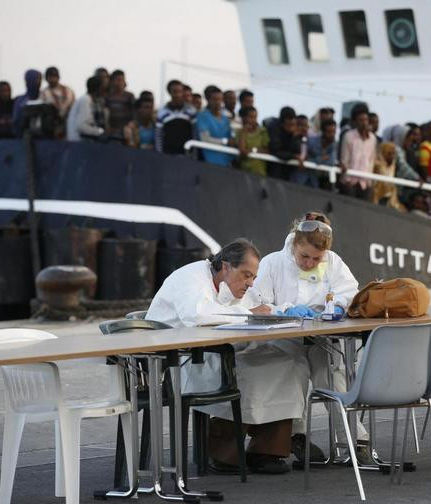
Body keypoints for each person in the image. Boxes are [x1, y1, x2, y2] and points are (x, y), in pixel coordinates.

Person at [146, 238, 308, 474]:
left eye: (253, 277)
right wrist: (247, 313)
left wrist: (281, 311)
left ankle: (266, 450)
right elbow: (198, 316)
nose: (250, 283)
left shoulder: (232, 285)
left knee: (287, 360)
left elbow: (257, 307)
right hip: (181, 360)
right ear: (225, 266)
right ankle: (223, 451)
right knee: (250, 369)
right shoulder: (189, 278)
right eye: (246, 275)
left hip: (216, 352)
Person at [247, 212, 372, 465]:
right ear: (294, 245)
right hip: (283, 338)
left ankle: (354, 440)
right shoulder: (272, 263)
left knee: (334, 377)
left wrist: (337, 305)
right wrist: (283, 311)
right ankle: (295, 435)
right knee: (294, 371)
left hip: (322, 337)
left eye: (317, 258)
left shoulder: (333, 262)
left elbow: (349, 291)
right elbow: (255, 304)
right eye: (305, 256)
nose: (309, 263)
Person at [340, 105, 377, 200]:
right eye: (360, 120)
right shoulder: (348, 136)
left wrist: (369, 182)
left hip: (365, 183)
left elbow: (371, 160)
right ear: (355, 122)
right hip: (350, 182)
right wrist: (346, 179)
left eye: (365, 120)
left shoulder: (373, 139)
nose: (364, 123)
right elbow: (345, 159)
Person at [155, 79, 196, 154]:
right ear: (169, 92)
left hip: (187, 154)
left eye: (180, 91)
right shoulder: (162, 112)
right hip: (168, 154)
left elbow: (195, 134)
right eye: (174, 92)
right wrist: (159, 154)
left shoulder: (191, 111)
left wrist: (194, 154)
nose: (177, 95)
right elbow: (158, 136)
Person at [197, 85, 234, 166]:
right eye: (214, 99)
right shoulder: (202, 116)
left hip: (227, 162)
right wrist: (225, 141)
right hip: (210, 163)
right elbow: (205, 139)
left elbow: (231, 139)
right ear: (208, 100)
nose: (218, 102)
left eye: (220, 99)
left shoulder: (226, 119)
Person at [66, 76, 106, 141]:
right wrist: (100, 132)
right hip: (78, 143)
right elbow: (81, 126)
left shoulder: (85, 99)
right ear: (98, 89)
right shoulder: (86, 100)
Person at [40, 67, 75, 138]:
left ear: (58, 77)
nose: (53, 79)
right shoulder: (44, 93)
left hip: (68, 122)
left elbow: (71, 104)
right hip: (53, 126)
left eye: (55, 76)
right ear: (46, 78)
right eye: (50, 77)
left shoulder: (68, 91)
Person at [371, 142, 407, 211]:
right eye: (389, 154)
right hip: (377, 197)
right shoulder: (377, 165)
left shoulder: (393, 165)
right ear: (383, 153)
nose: (392, 156)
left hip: (389, 197)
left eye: (393, 154)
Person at [268, 106, 300, 180]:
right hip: (274, 169)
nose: (292, 122)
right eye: (289, 120)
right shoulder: (274, 129)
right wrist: (293, 156)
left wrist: (294, 137)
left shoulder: (294, 131)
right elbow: (276, 150)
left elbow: (297, 151)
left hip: (288, 171)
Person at [304, 117, 338, 188]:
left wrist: (317, 159)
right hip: (307, 180)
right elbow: (306, 160)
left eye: (334, 132)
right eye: (329, 132)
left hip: (323, 181)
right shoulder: (311, 142)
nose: (332, 135)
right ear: (323, 132)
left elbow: (331, 162)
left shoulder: (333, 145)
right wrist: (321, 159)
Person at [235, 105, 269, 176]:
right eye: (250, 117)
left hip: (260, 172)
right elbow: (242, 150)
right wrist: (244, 132)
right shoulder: (239, 132)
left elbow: (267, 150)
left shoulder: (262, 131)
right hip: (244, 173)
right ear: (244, 118)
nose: (253, 120)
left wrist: (252, 150)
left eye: (255, 117)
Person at [12, 69, 43, 136]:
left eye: (40, 79)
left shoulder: (44, 97)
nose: (39, 82)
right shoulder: (20, 100)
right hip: (24, 136)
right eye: (37, 79)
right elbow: (16, 120)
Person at [105, 69, 135, 139]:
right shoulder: (107, 97)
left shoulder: (129, 96)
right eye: (118, 80)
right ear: (112, 81)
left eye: (122, 80)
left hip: (126, 132)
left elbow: (134, 113)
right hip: (111, 132)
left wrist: (131, 125)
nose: (120, 82)